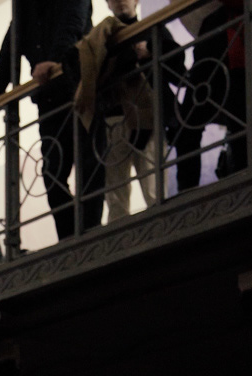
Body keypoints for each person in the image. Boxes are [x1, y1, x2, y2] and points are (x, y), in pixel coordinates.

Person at [0, 0, 100, 242]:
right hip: (50, 99)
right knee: (52, 172)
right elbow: (11, 46)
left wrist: (55, 61)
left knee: (89, 163)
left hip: (80, 90)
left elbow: (72, 25)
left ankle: (90, 234)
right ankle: (71, 238)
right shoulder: (23, 8)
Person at [75, 0, 180, 219]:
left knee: (154, 191)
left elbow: (177, 69)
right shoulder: (102, 38)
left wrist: (150, 50)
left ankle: (162, 229)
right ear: (108, 4)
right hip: (115, 120)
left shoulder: (152, 28)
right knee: (117, 198)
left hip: (148, 117)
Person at [172, 0, 252, 192]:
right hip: (212, 54)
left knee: (240, 130)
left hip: (241, 54)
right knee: (188, 128)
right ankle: (186, 194)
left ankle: (244, 189)